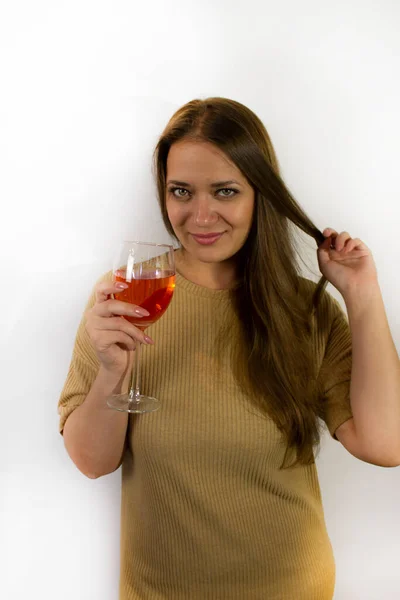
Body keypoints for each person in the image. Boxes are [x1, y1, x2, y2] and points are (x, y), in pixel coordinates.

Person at [58, 97, 355, 600]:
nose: (201, 215)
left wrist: (361, 293)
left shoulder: (304, 308)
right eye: (181, 191)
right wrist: (112, 373)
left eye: (225, 191)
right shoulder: (126, 295)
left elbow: (388, 444)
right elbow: (92, 462)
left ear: (259, 194)